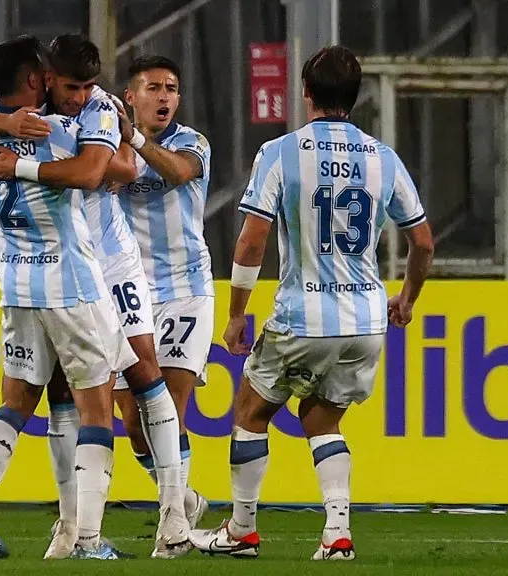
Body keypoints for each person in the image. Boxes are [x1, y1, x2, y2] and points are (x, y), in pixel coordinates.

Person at [0, 35, 193, 560]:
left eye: (87, 86)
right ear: (42, 78)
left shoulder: (30, 115)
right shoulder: (47, 125)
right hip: (73, 276)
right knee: (92, 399)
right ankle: (80, 533)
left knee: (137, 371)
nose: (81, 96)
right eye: (69, 85)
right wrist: (21, 138)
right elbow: (98, 171)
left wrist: (13, 143)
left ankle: (172, 511)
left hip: (70, 267)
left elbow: (121, 170)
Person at [187, 45, 435, 561]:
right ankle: (338, 535)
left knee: (251, 411)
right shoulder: (382, 158)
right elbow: (424, 242)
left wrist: (236, 314)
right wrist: (407, 298)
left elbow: (252, 240)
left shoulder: (281, 152)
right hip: (366, 319)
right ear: (356, 95)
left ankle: (240, 531)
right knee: (323, 421)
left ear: (305, 94)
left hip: (304, 313)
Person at [109, 55, 215, 530]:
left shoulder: (192, 143)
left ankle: (173, 522)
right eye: (154, 87)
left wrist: (134, 139)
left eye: (172, 88)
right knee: (133, 423)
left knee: (169, 406)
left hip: (185, 289)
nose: (165, 96)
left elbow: (177, 172)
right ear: (130, 97)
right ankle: (182, 499)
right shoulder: (108, 148)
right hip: (127, 294)